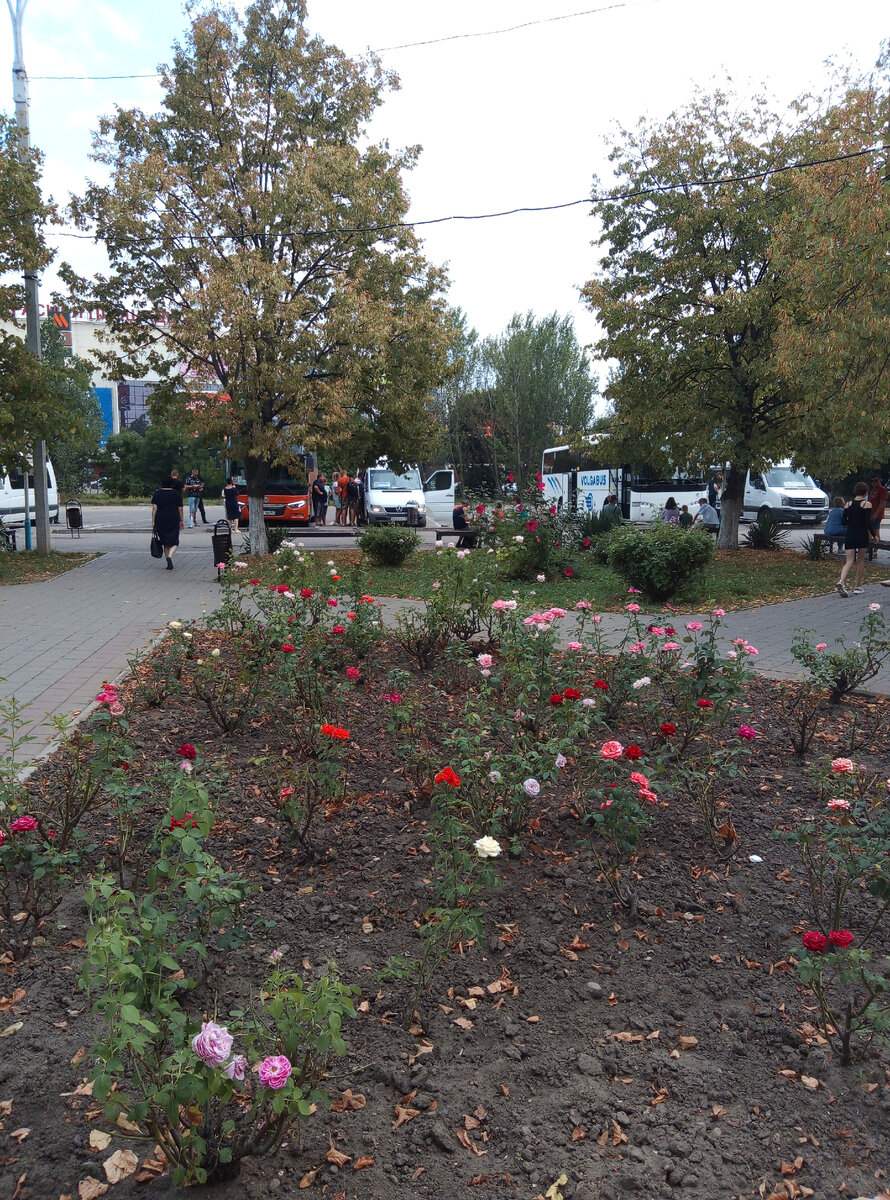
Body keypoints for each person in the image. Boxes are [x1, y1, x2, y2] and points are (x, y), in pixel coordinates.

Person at [837, 482, 872, 597]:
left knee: (849, 561)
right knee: (860, 561)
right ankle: (858, 586)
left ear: (855, 491)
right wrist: (874, 535)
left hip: (850, 534)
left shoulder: (848, 504)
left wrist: (851, 523)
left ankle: (841, 581)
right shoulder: (867, 504)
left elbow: (843, 521)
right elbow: (868, 523)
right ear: (865, 492)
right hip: (862, 534)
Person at [151, 476, 184, 570]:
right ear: (171, 484)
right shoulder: (176, 494)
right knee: (175, 542)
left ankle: (167, 562)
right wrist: (181, 520)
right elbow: (180, 508)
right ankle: (170, 556)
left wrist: (153, 521)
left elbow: (154, 508)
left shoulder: (157, 494)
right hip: (173, 518)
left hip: (160, 519)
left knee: (165, 542)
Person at [867, 474, 887, 559]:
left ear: (879, 480)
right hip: (870, 514)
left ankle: (875, 551)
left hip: (877, 515)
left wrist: (875, 514)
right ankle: (870, 549)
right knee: (870, 531)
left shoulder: (882, 490)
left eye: (876, 480)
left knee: (875, 531)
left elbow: (882, 503)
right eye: (872, 481)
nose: (874, 482)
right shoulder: (873, 491)